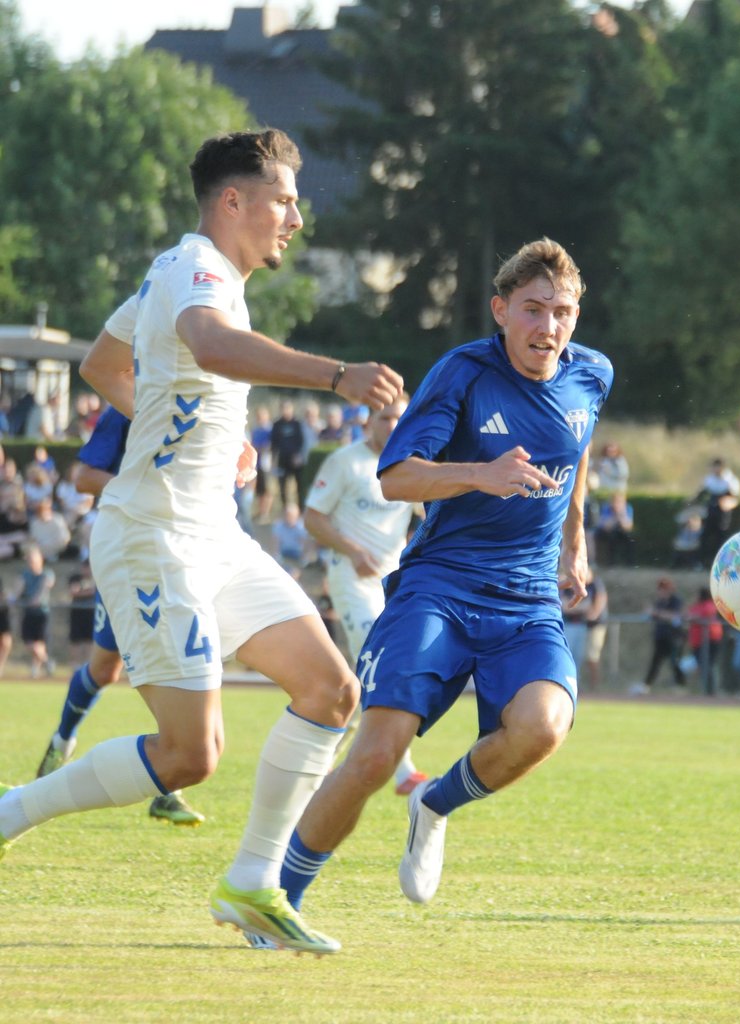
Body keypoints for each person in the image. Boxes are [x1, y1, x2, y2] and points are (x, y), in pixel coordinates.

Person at [0, 128, 404, 956]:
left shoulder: (180, 271)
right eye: (285, 199)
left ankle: (252, 887)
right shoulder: (195, 268)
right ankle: (11, 811)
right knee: (191, 755)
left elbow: (104, 364)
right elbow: (212, 346)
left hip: (213, 534)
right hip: (152, 539)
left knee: (331, 693)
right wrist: (336, 375)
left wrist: (205, 437)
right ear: (233, 201)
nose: (296, 216)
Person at [272, 237, 612, 920]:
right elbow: (396, 477)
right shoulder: (461, 372)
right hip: (442, 587)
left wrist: (575, 546)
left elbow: (575, 460)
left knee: (543, 727)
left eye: (563, 312)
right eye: (533, 310)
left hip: (527, 597)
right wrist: (480, 475)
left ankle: (435, 804)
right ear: (500, 310)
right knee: (374, 755)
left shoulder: (593, 374)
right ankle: (275, 898)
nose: (548, 327)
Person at [33, 405, 206, 826]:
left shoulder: (206, 399)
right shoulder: (131, 402)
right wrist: (146, 491)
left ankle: (170, 786)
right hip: (130, 552)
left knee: (174, 659)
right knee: (106, 669)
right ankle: (63, 739)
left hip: (185, 553)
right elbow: (86, 477)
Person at [302, 394, 428, 794]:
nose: (393, 425)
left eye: (399, 418)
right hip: (349, 578)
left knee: (357, 688)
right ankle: (404, 770)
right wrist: (353, 551)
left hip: (392, 584)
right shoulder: (346, 462)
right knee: (380, 662)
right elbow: (313, 518)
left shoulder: (408, 466)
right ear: (368, 421)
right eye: (386, 417)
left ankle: (313, 768)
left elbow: (427, 516)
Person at [8, 543, 55, 678]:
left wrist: (35, 600)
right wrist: (12, 599)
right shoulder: (24, 575)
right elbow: (17, 590)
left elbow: (44, 588)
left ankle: (36, 669)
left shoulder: (47, 574)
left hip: (41, 612)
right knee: (29, 642)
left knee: (39, 642)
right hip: (28, 612)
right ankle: (47, 662)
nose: (31, 562)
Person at [560, 565, 608, 693]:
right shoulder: (568, 586)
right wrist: (581, 608)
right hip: (571, 624)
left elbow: (592, 608)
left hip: (584, 625)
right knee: (569, 654)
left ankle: (588, 686)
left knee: (583, 656)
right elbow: (566, 607)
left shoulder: (595, 585)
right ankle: (568, 682)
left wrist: (580, 609)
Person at [640, 576, 686, 692]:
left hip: (673, 636)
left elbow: (674, 616)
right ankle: (646, 685)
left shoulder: (676, 601)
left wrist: (656, 613)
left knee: (674, 661)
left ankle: (681, 685)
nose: (661, 591)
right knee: (655, 661)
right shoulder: (659, 602)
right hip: (661, 636)